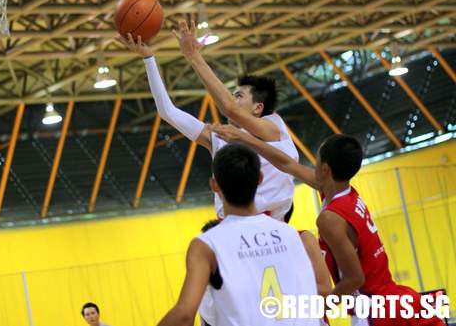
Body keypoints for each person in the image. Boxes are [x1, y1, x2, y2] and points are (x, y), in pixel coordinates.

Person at [211, 127, 444, 326]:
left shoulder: (330, 218)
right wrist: (245, 139)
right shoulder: (343, 192)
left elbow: (355, 279)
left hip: (374, 308)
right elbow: (286, 164)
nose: (314, 163)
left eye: (318, 158)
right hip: (391, 296)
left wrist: (321, 304)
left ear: (325, 169)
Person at [117, 30, 298, 220]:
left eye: (238, 96)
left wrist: (193, 55)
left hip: (272, 229)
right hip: (231, 228)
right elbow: (167, 112)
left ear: (258, 107)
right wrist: (149, 59)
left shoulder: (272, 126)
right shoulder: (221, 138)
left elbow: (229, 109)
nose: (231, 100)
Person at [157, 144, 318, 326]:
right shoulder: (290, 235)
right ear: (260, 179)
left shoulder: (207, 245)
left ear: (214, 185)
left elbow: (185, 315)